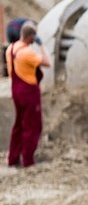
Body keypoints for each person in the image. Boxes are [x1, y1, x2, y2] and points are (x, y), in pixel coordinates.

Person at [6, 21, 51, 167]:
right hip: (29, 92)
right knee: (32, 126)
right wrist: (42, 45)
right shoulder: (27, 53)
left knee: (18, 125)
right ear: (31, 36)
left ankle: (13, 159)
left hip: (16, 90)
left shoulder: (11, 48)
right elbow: (47, 62)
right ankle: (28, 160)